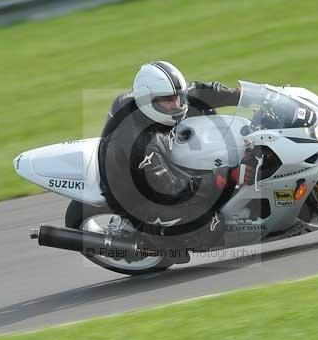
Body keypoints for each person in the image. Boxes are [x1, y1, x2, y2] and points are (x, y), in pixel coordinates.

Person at [97, 61, 245, 254]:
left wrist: (239, 96)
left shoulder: (157, 99)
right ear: (148, 101)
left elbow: (198, 92)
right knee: (212, 225)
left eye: (178, 97)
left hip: (152, 167)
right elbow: (174, 190)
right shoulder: (141, 146)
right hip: (140, 200)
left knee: (203, 111)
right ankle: (158, 242)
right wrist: (222, 177)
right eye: (169, 100)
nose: (177, 104)